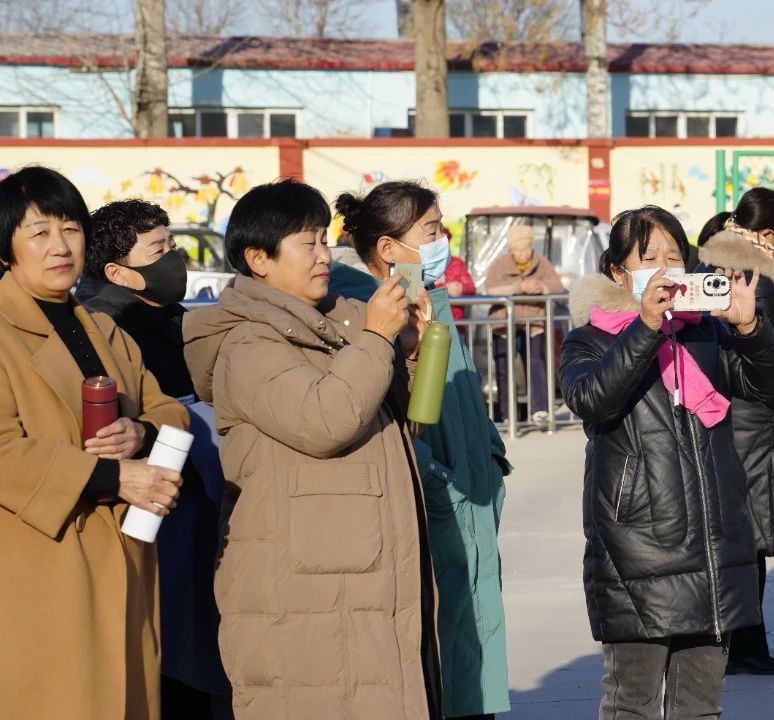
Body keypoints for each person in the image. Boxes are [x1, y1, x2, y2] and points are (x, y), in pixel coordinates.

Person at [182, 179, 445, 719]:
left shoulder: (339, 326)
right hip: (302, 597)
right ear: (259, 259)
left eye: (326, 240)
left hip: (356, 580)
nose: (325, 256)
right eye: (309, 244)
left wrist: (412, 351)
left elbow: (409, 425)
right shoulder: (248, 344)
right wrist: (375, 340)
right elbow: (326, 419)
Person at [559, 205, 774, 719]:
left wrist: (751, 328)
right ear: (619, 272)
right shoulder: (591, 337)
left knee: (701, 706)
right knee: (633, 704)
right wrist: (646, 327)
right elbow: (591, 400)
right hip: (638, 548)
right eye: (650, 257)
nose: (667, 267)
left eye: (676, 255)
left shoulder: (704, 333)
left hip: (716, 542)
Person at [0, 166, 188, 719]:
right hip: (42, 567)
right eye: (38, 233)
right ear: (6, 246)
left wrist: (144, 433)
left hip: (125, 558)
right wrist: (111, 477)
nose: (59, 246)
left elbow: (169, 411)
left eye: (71, 228)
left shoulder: (106, 330)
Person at [334, 180, 513, 720]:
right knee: (441, 635)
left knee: (473, 623)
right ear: (389, 248)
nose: (443, 240)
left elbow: (460, 392)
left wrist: (489, 452)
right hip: (435, 491)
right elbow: (417, 409)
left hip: (467, 485)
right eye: (431, 231)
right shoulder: (368, 306)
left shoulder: (425, 292)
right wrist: (437, 471)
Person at [82, 199, 232, 719]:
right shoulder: (108, 326)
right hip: (155, 508)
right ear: (118, 271)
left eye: (173, 245)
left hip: (195, 495)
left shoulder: (167, 315)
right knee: (169, 643)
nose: (175, 258)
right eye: (159, 249)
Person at [697, 187, 774, 676]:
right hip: (757, 419)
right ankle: (744, 645)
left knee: (746, 539)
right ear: (768, 233)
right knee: (750, 540)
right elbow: (770, 360)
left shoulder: (724, 267)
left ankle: (742, 642)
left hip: (746, 418)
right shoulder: (754, 278)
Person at [482, 225, 565, 426]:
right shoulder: (499, 264)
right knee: (504, 366)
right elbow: (490, 288)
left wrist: (542, 287)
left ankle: (540, 409)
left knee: (537, 363)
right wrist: (519, 287)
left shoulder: (541, 262)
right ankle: (506, 412)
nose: (522, 254)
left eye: (526, 249)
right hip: (504, 323)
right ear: (510, 250)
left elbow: (558, 285)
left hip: (534, 320)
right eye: (517, 250)